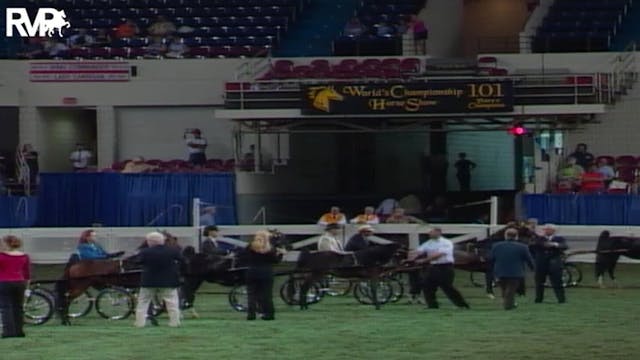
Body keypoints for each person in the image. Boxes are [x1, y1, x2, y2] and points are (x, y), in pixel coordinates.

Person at [410, 228, 470, 309]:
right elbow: (419, 251)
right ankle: (432, 305)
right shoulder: (429, 243)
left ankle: (462, 305)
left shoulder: (446, 242)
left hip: (445, 267)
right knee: (427, 285)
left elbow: (439, 254)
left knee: (447, 287)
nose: (429, 233)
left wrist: (424, 260)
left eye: (431, 232)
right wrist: (411, 256)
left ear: (438, 232)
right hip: (433, 267)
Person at [135, 232, 184, 327]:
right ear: (162, 241)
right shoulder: (172, 251)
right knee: (172, 302)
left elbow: (137, 262)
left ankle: (140, 323)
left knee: (143, 302)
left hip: (149, 281)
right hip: (169, 281)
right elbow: (182, 260)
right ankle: (175, 322)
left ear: (150, 242)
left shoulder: (145, 252)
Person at [241, 230, 284, 321]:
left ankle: (251, 314)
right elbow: (275, 261)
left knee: (251, 295)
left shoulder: (249, 247)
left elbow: (243, 257)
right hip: (266, 273)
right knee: (267, 295)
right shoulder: (270, 249)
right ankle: (268, 314)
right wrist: (281, 254)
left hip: (252, 272)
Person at [489, 228, 535, 310]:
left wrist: (492, 271)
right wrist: (533, 268)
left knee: (504, 289)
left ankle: (509, 303)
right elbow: (529, 259)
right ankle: (508, 306)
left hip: (500, 271)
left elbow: (491, 259)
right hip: (515, 272)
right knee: (510, 290)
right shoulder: (523, 247)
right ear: (516, 237)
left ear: (505, 236)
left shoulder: (496, 246)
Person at [0, 235, 31, 338]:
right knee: (18, 307)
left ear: (6, 244)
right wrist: (27, 286)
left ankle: (9, 332)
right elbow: (27, 273)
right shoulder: (24, 256)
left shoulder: (2, 256)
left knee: (6, 307)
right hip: (20, 282)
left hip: (5, 282)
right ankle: (19, 331)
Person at [531, 224, 567, 304]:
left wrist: (554, 245)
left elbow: (564, 246)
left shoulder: (559, 239)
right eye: (545, 229)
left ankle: (561, 299)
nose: (545, 231)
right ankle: (538, 299)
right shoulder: (539, 238)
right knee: (539, 282)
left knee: (557, 281)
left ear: (553, 231)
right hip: (541, 263)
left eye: (547, 229)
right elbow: (533, 246)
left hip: (554, 263)